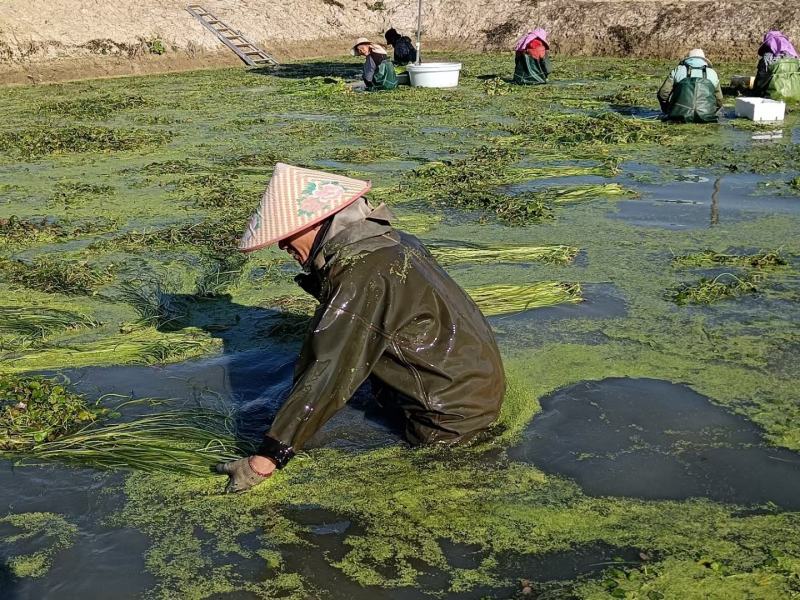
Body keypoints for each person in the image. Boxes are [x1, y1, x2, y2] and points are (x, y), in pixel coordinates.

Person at [215, 164, 507, 493]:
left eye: (286, 233)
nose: (282, 245)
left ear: (316, 223)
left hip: (447, 419)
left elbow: (329, 369)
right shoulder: (389, 242)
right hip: (476, 388)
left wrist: (266, 459)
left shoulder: (362, 273)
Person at [657, 48, 723, 123]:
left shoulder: (678, 70)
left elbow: (662, 94)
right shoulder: (712, 73)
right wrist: (711, 112)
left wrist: (667, 110)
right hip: (707, 116)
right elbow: (719, 100)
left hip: (679, 116)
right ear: (704, 60)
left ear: (688, 59)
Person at [753, 31, 800, 101]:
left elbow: (760, 80)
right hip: (796, 95)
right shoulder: (796, 58)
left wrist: (754, 92)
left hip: (773, 96)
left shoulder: (767, 58)